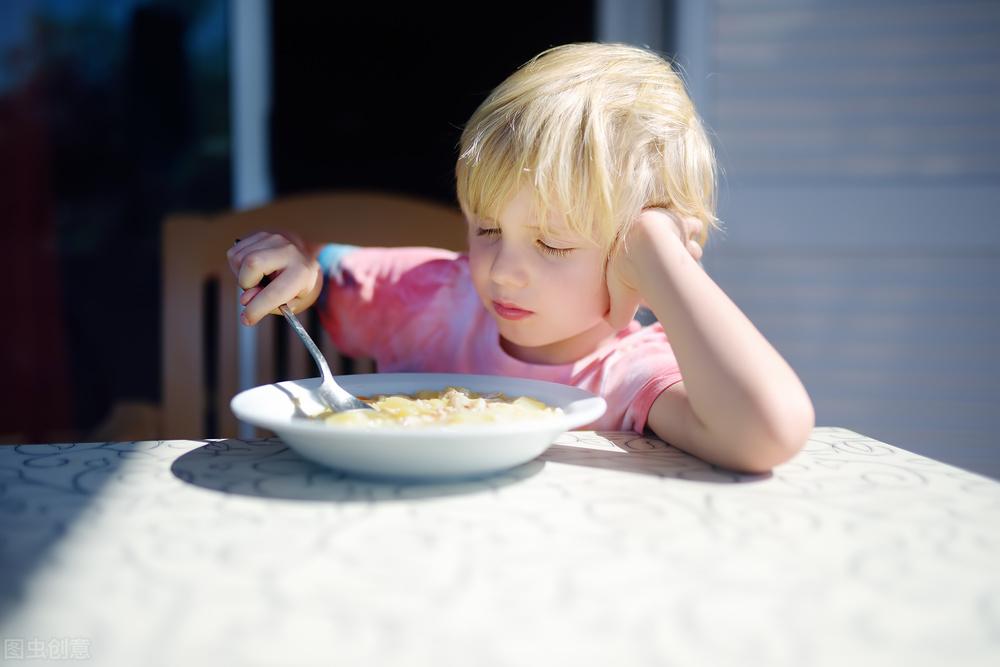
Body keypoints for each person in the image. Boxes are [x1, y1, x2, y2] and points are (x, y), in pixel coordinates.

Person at [227, 43, 814, 473]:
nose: (502, 270)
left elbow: (767, 433)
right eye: (486, 229)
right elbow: (317, 277)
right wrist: (298, 273)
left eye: (553, 243)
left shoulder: (628, 375)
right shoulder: (430, 296)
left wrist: (666, 263)